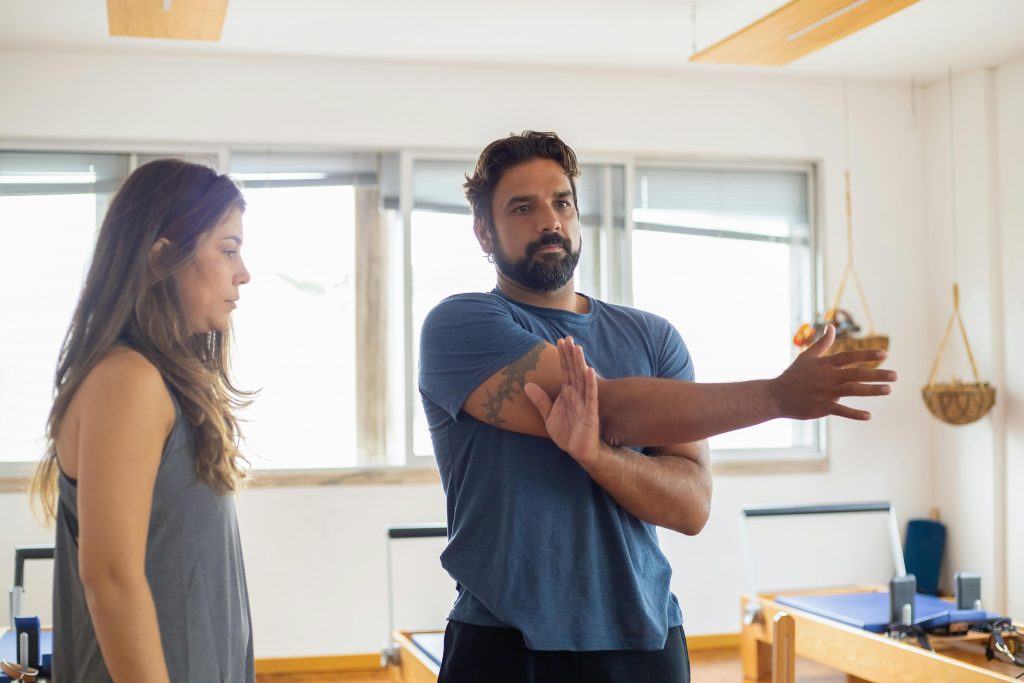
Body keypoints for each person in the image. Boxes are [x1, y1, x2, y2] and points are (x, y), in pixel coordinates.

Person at [418, 131, 898, 683]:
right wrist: (776, 396)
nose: (549, 220)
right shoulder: (460, 325)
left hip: (646, 637)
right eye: (522, 207)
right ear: (484, 231)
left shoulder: (653, 337)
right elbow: (612, 410)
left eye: (562, 201)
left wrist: (597, 458)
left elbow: (689, 507)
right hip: (505, 643)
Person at [29, 159, 255, 682]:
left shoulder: (164, 379)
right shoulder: (126, 380)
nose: (243, 272)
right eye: (227, 249)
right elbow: (109, 579)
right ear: (162, 257)